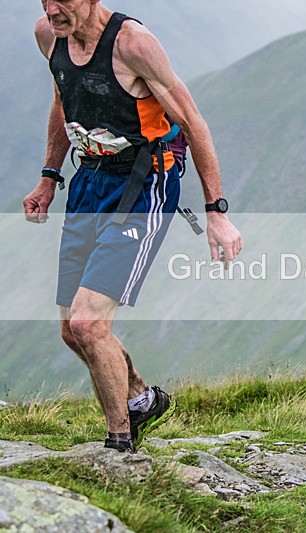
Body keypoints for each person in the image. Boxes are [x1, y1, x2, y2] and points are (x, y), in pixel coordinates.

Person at [23, 0, 242, 453]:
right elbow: (64, 102)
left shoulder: (132, 44)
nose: (51, 8)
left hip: (143, 185)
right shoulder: (49, 36)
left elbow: (193, 123)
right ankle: (141, 398)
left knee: (87, 323)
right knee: (72, 330)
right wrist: (49, 177)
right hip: (88, 181)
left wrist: (216, 211)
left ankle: (120, 444)